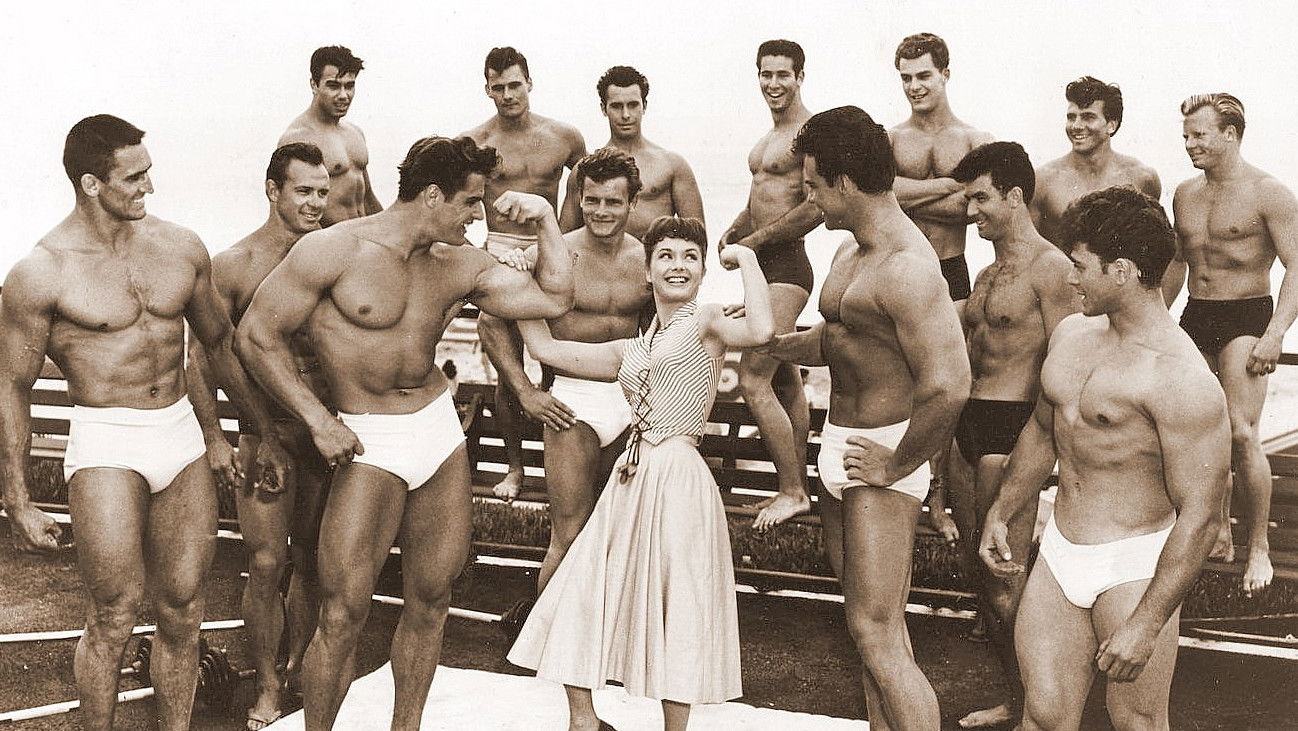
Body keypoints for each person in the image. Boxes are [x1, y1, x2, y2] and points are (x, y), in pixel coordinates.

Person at [236, 135, 575, 730]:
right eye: (469, 203)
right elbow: (256, 336)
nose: (477, 217)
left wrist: (547, 219)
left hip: (436, 433)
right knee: (342, 613)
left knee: (432, 601)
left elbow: (553, 296)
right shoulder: (333, 249)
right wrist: (318, 420)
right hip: (370, 439)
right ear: (433, 196)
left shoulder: (460, 263)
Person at [0, 114, 288, 731]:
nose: (149, 186)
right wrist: (18, 501)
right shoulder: (42, 272)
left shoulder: (180, 247)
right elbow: (12, 387)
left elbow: (219, 344)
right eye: (133, 177)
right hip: (107, 440)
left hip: (178, 434)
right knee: (114, 612)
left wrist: (259, 432)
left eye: (148, 172)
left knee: (184, 610)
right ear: (91, 184)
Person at [508, 216, 773, 731]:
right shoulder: (632, 347)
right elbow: (546, 348)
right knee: (582, 583)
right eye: (665, 256)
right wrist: (523, 281)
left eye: (690, 257)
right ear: (647, 272)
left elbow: (761, 331)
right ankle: (584, 720)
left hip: (678, 473)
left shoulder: (707, 321)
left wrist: (748, 259)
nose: (678, 265)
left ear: (702, 271)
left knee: (679, 601)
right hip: (632, 475)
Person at [981, 186, 1230, 729]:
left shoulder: (1181, 377)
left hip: (1135, 563)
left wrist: (1147, 623)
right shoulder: (1072, 334)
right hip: (1060, 552)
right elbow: (1043, 431)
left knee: (1136, 721)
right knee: (1043, 716)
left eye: (1079, 266)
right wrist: (1003, 509)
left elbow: (1202, 515)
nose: (1070, 279)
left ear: (1121, 271)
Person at [763, 106, 969, 730]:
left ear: (846, 182)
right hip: (840, 443)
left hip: (882, 450)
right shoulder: (851, 250)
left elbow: (951, 385)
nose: (810, 199)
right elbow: (839, 339)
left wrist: (896, 465)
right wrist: (770, 344)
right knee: (870, 633)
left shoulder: (908, 267)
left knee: (877, 633)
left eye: (814, 186)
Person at [186, 142, 332, 729]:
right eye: (304, 191)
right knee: (267, 563)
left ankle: (299, 671)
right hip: (261, 434)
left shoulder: (333, 254)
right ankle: (268, 686)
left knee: (316, 562)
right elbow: (200, 361)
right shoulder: (235, 264)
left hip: (325, 434)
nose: (315, 203)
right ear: (273, 191)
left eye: (322, 192)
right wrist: (215, 438)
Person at [479, 149, 652, 612]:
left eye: (613, 202)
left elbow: (666, 329)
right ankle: (543, 644)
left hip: (631, 402)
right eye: (592, 200)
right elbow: (492, 323)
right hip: (572, 403)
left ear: (633, 203)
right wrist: (525, 391)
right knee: (569, 533)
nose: (601, 211)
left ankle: (602, 637)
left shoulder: (648, 260)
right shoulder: (549, 255)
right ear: (579, 198)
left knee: (619, 533)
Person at [947, 142, 1080, 729]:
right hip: (969, 423)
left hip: (1014, 425)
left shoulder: (1052, 269)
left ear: (1015, 196)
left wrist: (1038, 445)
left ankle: (1042, 708)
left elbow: (1067, 365)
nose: (970, 210)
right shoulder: (985, 272)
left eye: (980, 198)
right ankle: (1016, 697)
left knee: (1006, 578)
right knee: (981, 578)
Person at [1163, 93, 1298, 594]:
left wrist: (1276, 332)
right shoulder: (1184, 194)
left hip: (1246, 315)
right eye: (1186, 136)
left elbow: (1296, 266)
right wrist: (1159, 323)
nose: (1189, 144)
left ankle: (1257, 546)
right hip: (1196, 314)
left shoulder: (1269, 193)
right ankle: (1214, 528)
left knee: (1241, 433)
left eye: (1199, 135)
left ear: (1230, 134)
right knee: (1195, 434)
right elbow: (1178, 263)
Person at [463, 45, 588, 500]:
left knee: (559, 366)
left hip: (550, 249)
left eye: (515, 85)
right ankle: (515, 469)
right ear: (487, 89)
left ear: (530, 83)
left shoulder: (564, 137)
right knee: (508, 371)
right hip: (500, 252)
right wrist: (480, 255)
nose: (508, 94)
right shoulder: (474, 142)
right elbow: (459, 204)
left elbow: (586, 187)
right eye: (498, 87)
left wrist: (562, 238)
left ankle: (560, 469)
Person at [720, 39, 819, 529]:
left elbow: (815, 207)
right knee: (783, 377)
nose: (773, 84)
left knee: (752, 378)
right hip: (762, 270)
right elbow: (759, 199)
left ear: (800, 76)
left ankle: (793, 490)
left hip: (787, 269)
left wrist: (754, 243)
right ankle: (793, 486)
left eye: (783, 74)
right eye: (766, 74)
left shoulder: (810, 134)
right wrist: (734, 231)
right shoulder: (768, 138)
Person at [889, 32, 993, 307]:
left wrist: (900, 198)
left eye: (923, 76)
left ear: (945, 74)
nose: (914, 87)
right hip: (900, 265)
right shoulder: (891, 139)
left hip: (950, 266)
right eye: (906, 78)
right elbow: (876, 197)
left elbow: (971, 208)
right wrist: (948, 185)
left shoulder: (975, 140)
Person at [1031, 76, 1162, 245]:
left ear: (1111, 125)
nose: (1076, 126)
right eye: (1071, 117)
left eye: (1088, 117)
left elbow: (1154, 247)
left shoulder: (1142, 178)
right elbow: (1027, 249)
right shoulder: (1043, 181)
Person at [595, 65, 705, 238]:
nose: (626, 115)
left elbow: (697, 236)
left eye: (633, 105)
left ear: (644, 106)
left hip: (652, 254)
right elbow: (565, 240)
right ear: (603, 108)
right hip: (604, 256)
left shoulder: (672, 164)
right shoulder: (589, 169)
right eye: (616, 106)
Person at [278, 45, 382, 226]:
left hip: (363, 237)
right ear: (314, 84)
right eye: (333, 86)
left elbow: (368, 198)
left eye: (349, 86)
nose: (343, 95)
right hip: (330, 240)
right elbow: (292, 211)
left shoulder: (355, 132)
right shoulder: (297, 138)